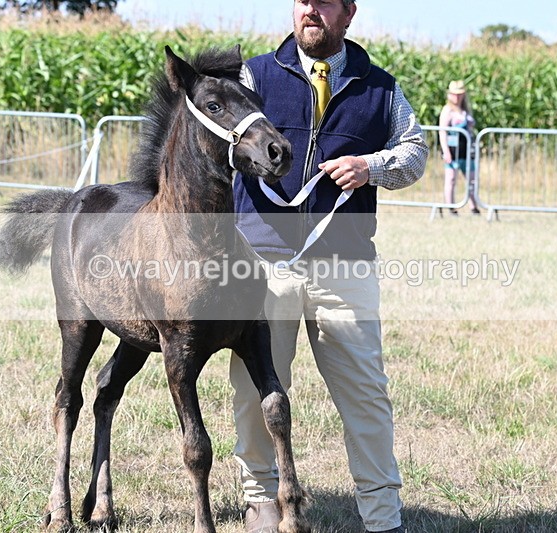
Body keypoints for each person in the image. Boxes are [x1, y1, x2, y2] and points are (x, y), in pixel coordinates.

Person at [229, 1, 428, 532]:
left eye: (324, 2)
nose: (311, 9)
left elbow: (415, 153)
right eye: (302, 1)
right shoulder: (254, 74)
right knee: (254, 390)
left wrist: (372, 165)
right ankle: (261, 504)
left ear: (348, 13)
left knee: (366, 396)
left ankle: (384, 519)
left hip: (347, 268)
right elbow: (219, 139)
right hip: (264, 265)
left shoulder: (380, 88)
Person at [438, 80, 480, 215]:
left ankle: (473, 206)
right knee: (451, 179)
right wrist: (446, 152)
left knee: (471, 179)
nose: (457, 97)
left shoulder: (465, 110)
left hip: (466, 150)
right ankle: (451, 207)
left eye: (460, 94)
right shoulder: (447, 110)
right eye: (454, 94)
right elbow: (442, 131)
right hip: (453, 150)